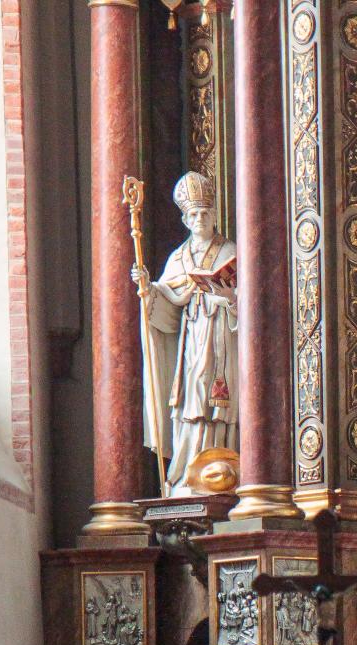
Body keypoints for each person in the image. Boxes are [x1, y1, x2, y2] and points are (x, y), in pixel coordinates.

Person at [134, 171, 239, 494]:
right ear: (184, 218)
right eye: (194, 214)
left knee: (220, 404)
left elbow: (253, 306)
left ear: (214, 215)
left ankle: (225, 467)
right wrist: (147, 287)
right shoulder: (178, 258)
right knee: (191, 400)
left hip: (223, 337)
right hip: (192, 339)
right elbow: (167, 303)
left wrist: (230, 299)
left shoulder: (231, 251)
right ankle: (186, 474)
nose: (200, 219)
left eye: (206, 213)